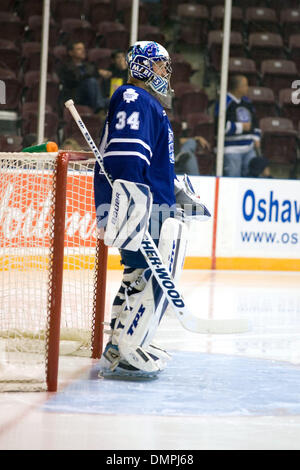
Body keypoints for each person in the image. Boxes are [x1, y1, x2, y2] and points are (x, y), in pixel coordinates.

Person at [94, 41, 210, 376]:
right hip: (140, 206)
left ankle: (122, 341)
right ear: (143, 67)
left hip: (145, 203)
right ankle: (129, 347)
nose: (165, 72)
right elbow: (127, 158)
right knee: (151, 277)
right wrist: (131, 205)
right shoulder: (136, 98)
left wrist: (175, 190)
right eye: (160, 65)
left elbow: (150, 162)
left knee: (136, 275)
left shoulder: (146, 102)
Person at [214, 74, 261, 177]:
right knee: (233, 180)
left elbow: (255, 123)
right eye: (245, 85)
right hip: (231, 149)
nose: (247, 88)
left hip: (249, 148)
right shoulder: (224, 102)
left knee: (251, 178)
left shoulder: (247, 102)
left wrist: (256, 137)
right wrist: (241, 127)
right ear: (237, 87)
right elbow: (219, 126)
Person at [57, 41, 109, 114]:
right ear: (71, 52)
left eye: (83, 49)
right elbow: (74, 80)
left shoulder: (89, 65)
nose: (83, 51)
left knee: (113, 100)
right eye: (79, 49)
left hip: (91, 98)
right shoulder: (65, 67)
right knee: (91, 81)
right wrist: (96, 73)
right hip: (76, 96)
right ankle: (99, 110)